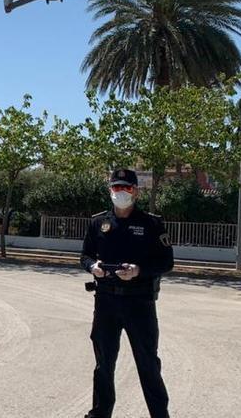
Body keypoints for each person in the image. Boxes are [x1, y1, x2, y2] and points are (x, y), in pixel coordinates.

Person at [81, 168, 175, 418]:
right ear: (110, 190)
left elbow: (166, 262)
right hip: (106, 303)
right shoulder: (98, 223)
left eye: (127, 188)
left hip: (139, 303)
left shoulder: (152, 224)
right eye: (117, 187)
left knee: (148, 364)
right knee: (103, 365)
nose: (121, 192)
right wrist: (93, 266)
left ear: (136, 191)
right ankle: (100, 414)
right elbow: (85, 255)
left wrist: (138, 271)